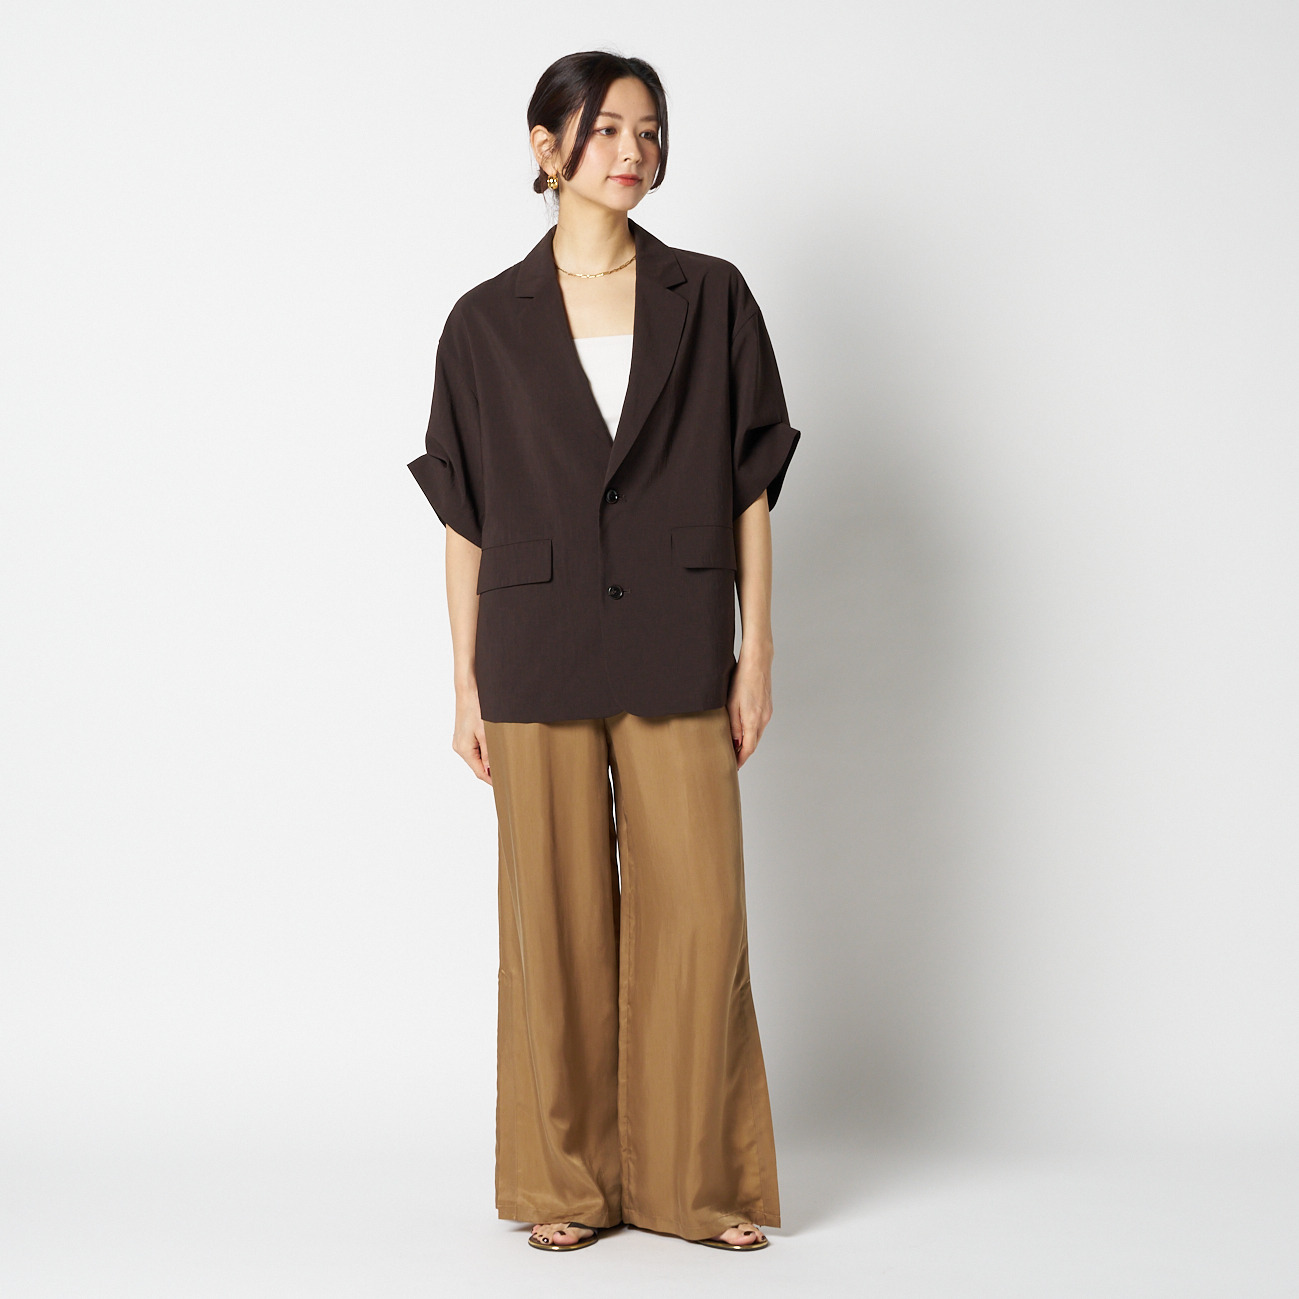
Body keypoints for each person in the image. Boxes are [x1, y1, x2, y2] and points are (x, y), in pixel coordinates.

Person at [407, 50, 801, 1253]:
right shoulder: (485, 321)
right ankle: (568, 1186)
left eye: (650, 130)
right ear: (547, 148)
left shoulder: (711, 297)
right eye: (608, 128)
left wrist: (756, 652)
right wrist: (464, 681)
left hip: (679, 635)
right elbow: (464, 516)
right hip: (535, 648)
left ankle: (696, 1186)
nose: (635, 150)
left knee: (699, 919)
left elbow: (748, 485)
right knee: (556, 927)